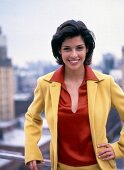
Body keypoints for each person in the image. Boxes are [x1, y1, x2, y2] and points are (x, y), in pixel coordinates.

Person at [24, 19, 124, 170]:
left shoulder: (106, 83)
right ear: (59, 50)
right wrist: (31, 149)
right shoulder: (45, 84)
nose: (74, 54)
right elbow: (32, 118)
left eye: (79, 48)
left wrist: (119, 148)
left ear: (87, 49)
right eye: (67, 49)